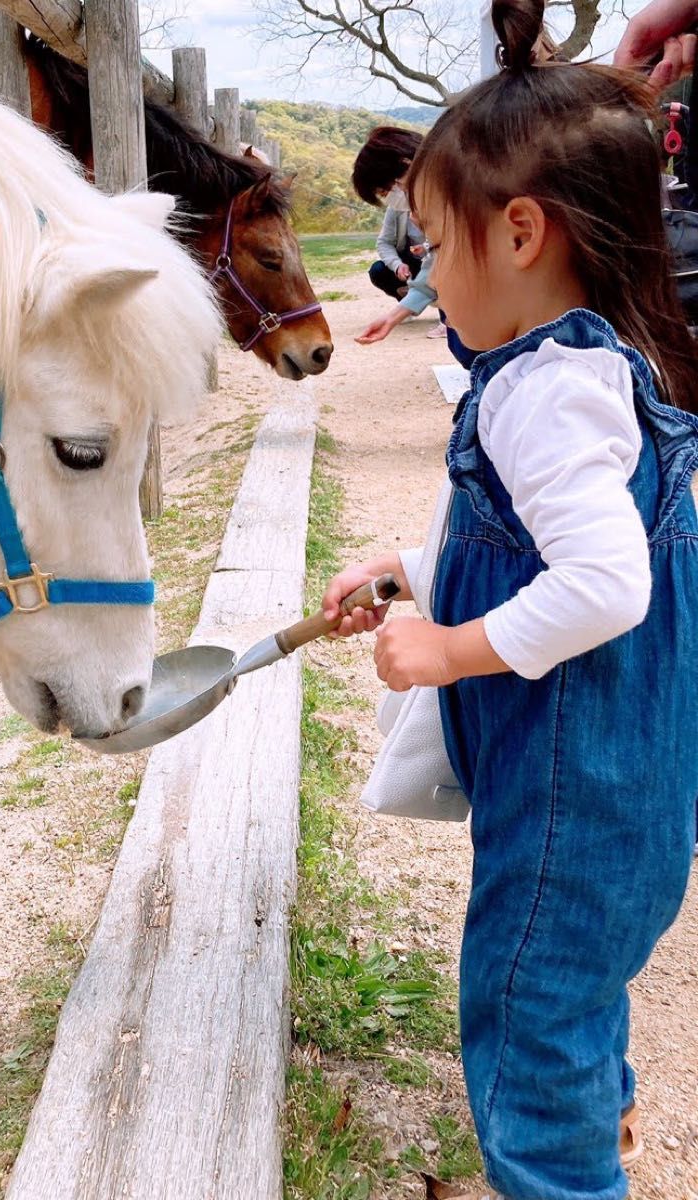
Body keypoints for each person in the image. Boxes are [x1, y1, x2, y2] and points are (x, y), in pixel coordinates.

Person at [322, 2, 698, 1198]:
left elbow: (602, 584)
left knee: (525, 1023)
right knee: (576, 998)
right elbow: (547, 548)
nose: (424, 271)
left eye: (432, 245)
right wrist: (415, 577)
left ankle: (566, 1172)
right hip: (625, 797)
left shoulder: (539, 390)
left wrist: (444, 649)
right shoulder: (599, 367)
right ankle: (607, 1129)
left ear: (522, 231)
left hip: (570, 802)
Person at [352, 127, 429, 302]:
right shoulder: (400, 208)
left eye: (386, 191)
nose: (401, 189)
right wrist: (398, 266)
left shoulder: (451, 201)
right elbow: (437, 258)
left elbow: (443, 257)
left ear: (407, 164)